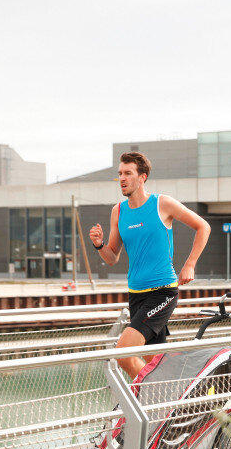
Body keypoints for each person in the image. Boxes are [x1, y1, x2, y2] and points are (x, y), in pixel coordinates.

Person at [90, 152, 210, 379]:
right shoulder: (118, 211)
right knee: (157, 361)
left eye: (128, 173)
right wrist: (99, 245)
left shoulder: (161, 204)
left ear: (142, 177)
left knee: (124, 354)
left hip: (161, 292)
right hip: (136, 294)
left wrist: (189, 264)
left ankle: (154, 397)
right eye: (120, 174)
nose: (122, 179)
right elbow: (112, 257)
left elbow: (203, 227)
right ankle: (186, 392)